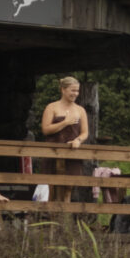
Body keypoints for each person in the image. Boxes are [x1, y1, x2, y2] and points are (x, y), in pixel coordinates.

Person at [41, 76, 91, 210]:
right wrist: (65, 122)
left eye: (77, 91)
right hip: (53, 149)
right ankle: (49, 218)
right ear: (63, 90)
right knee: (51, 185)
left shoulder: (80, 110)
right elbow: (45, 129)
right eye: (72, 90)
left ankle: (65, 219)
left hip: (72, 151)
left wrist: (78, 140)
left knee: (68, 187)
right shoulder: (51, 107)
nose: (75, 94)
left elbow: (85, 132)